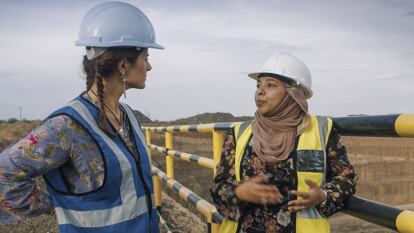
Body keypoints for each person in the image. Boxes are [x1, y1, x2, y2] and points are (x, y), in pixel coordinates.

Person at [0, 2, 163, 233]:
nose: (149, 66)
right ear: (124, 65)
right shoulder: (67, 126)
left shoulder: (129, 117)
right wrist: (62, 206)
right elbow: (4, 175)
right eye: (145, 57)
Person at [210, 53, 357, 233]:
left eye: (270, 85)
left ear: (293, 93)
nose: (260, 91)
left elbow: (347, 177)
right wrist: (239, 192)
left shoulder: (322, 131)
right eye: (258, 85)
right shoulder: (239, 133)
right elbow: (218, 187)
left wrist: (323, 196)